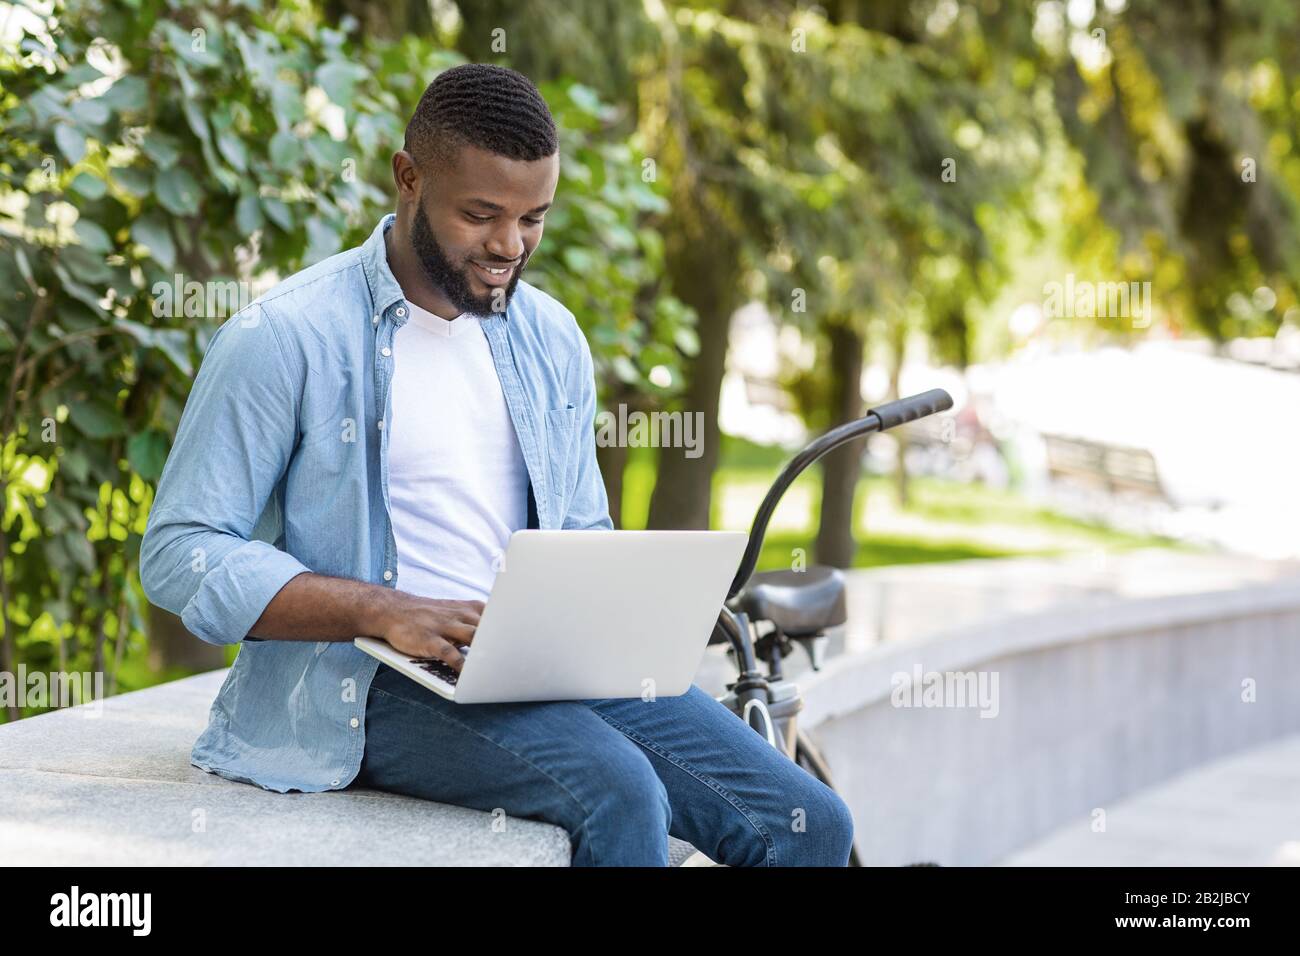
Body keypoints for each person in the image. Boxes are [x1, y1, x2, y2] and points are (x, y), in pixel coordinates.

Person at [140, 63, 854, 867]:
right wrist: (381, 610)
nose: (509, 246)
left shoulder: (550, 337)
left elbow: (580, 530)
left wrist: (629, 607)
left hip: (542, 658)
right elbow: (180, 552)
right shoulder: (284, 337)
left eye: (533, 218)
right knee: (619, 792)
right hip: (367, 683)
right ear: (408, 179)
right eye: (481, 215)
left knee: (810, 822)